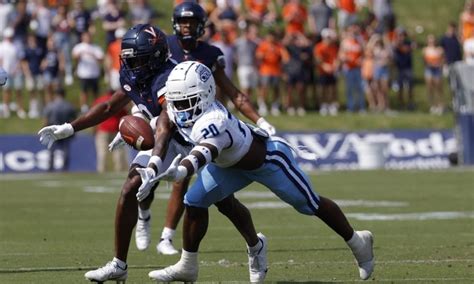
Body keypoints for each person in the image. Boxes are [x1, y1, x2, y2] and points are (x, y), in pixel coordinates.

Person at [38, 24, 266, 283]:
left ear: (155, 56)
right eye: (129, 59)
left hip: (197, 138)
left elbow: (165, 126)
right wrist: (69, 127)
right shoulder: (137, 73)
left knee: (225, 202)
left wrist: (155, 163)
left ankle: (255, 245)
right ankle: (119, 264)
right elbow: (110, 107)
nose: (131, 65)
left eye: (137, 59)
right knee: (130, 187)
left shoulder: (168, 78)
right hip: (166, 138)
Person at [141, 61, 375, 282]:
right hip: (228, 167)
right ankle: (189, 265)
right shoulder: (177, 108)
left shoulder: (214, 119)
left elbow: (205, 151)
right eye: (177, 102)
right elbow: (162, 132)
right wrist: (151, 167)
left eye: (186, 101)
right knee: (194, 201)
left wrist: (182, 170)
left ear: (205, 94)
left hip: (267, 160)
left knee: (309, 204)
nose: (179, 108)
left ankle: (357, 242)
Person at [145, 1, 276, 256]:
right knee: (151, 174)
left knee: (219, 198)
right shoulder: (165, 46)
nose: (187, 27)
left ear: (201, 25)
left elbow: (234, 93)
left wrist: (260, 121)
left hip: (202, 126)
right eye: (183, 22)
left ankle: (252, 243)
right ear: (175, 23)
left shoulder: (209, 53)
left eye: (192, 22)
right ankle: (161, 231)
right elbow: (149, 81)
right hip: (169, 120)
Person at [93, 90, 128, 173]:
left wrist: (94, 130)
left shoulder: (99, 100)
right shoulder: (120, 101)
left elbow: (94, 115)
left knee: (102, 154)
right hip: (116, 131)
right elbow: (125, 116)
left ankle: (101, 173)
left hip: (103, 130)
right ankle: (120, 173)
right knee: (118, 156)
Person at [42, 88, 76, 171]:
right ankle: (65, 168)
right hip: (65, 131)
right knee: (65, 150)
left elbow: (46, 119)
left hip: (53, 130)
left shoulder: (50, 105)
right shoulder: (69, 106)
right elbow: (73, 120)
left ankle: (50, 168)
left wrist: (43, 129)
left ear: (56, 94)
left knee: (51, 151)